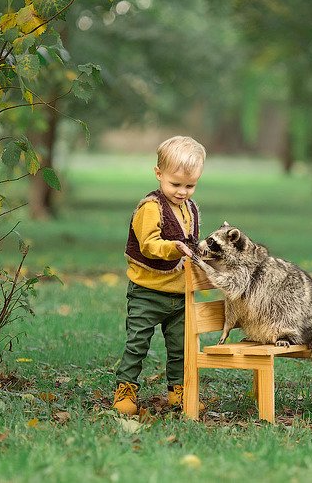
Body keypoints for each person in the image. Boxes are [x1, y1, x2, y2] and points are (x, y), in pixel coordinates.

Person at [112, 135, 205, 415]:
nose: (182, 192)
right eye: (175, 184)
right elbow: (149, 245)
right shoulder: (151, 208)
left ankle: (179, 391)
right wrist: (172, 248)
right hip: (147, 292)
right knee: (137, 343)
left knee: (181, 347)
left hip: (180, 293)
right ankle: (125, 389)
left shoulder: (190, 208)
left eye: (190, 186)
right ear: (158, 174)